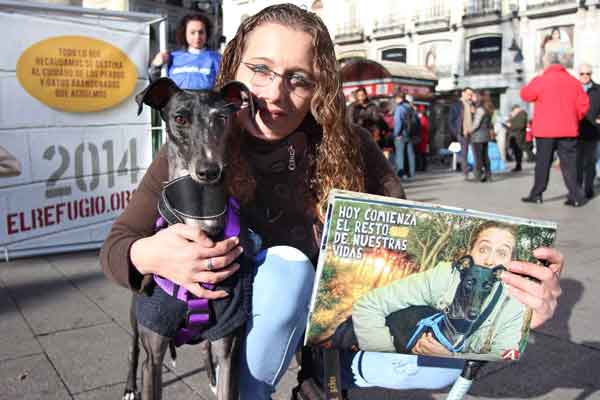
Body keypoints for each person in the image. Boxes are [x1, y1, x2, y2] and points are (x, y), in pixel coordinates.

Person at [101, 4, 565, 398]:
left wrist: (516, 302)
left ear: (318, 87)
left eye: (298, 79)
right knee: (285, 270)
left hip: (336, 326)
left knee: (446, 361)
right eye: (260, 70)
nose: (275, 94)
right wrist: (149, 253)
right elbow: (118, 244)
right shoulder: (194, 147)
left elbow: (421, 257)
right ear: (233, 72)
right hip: (247, 321)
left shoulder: (353, 146)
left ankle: (328, 379)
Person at [353, 221, 527, 361]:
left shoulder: (514, 302)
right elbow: (370, 304)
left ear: (512, 262)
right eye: (483, 249)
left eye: (502, 253)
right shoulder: (445, 275)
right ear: (469, 252)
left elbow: (507, 356)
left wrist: (452, 357)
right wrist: (387, 360)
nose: (490, 260)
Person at [521, 49, 589, 207]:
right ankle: (576, 196)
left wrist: (535, 78)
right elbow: (583, 106)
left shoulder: (541, 80)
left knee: (543, 163)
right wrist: (574, 118)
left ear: (546, 64)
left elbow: (526, 95)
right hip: (568, 129)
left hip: (546, 131)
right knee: (569, 164)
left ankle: (537, 194)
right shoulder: (574, 82)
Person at [149, 13, 221, 90]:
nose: (197, 36)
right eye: (192, 32)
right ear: (184, 33)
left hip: (204, 101)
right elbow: (155, 83)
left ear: (207, 34)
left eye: (201, 32)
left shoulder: (216, 58)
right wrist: (155, 66)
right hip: (177, 101)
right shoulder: (171, 57)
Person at [576, 64, 600, 200]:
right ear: (578, 74)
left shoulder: (598, 90)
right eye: (582, 73)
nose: (585, 76)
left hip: (592, 132)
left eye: (588, 74)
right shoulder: (572, 89)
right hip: (575, 132)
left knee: (590, 162)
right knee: (576, 163)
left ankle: (589, 188)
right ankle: (577, 189)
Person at [448, 87, 474, 178]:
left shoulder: (472, 105)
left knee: (475, 152)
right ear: (463, 93)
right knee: (464, 153)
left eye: (471, 94)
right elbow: (451, 120)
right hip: (462, 132)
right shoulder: (456, 105)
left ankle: (476, 170)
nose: (470, 96)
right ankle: (465, 171)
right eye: (468, 94)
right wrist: (456, 132)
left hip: (473, 132)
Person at [468, 91, 493, 182]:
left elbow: (476, 124)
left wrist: (469, 130)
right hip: (485, 135)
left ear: (479, 98)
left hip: (477, 136)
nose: (472, 97)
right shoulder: (488, 108)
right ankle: (488, 175)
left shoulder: (480, 109)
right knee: (485, 156)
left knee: (478, 157)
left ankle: (478, 176)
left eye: (474, 96)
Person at [392, 91, 417, 180]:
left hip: (401, 135)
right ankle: (412, 173)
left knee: (400, 155)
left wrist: (396, 134)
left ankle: (401, 174)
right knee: (410, 155)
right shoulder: (410, 107)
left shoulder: (399, 109)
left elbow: (398, 122)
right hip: (409, 135)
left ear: (398, 98)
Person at [505, 104, 528, 172]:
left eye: (514, 110)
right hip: (515, 135)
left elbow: (520, 125)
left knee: (518, 151)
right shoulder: (516, 115)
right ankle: (518, 165)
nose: (513, 111)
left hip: (518, 135)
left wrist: (510, 125)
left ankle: (518, 166)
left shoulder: (522, 114)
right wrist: (510, 118)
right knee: (516, 151)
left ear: (517, 109)